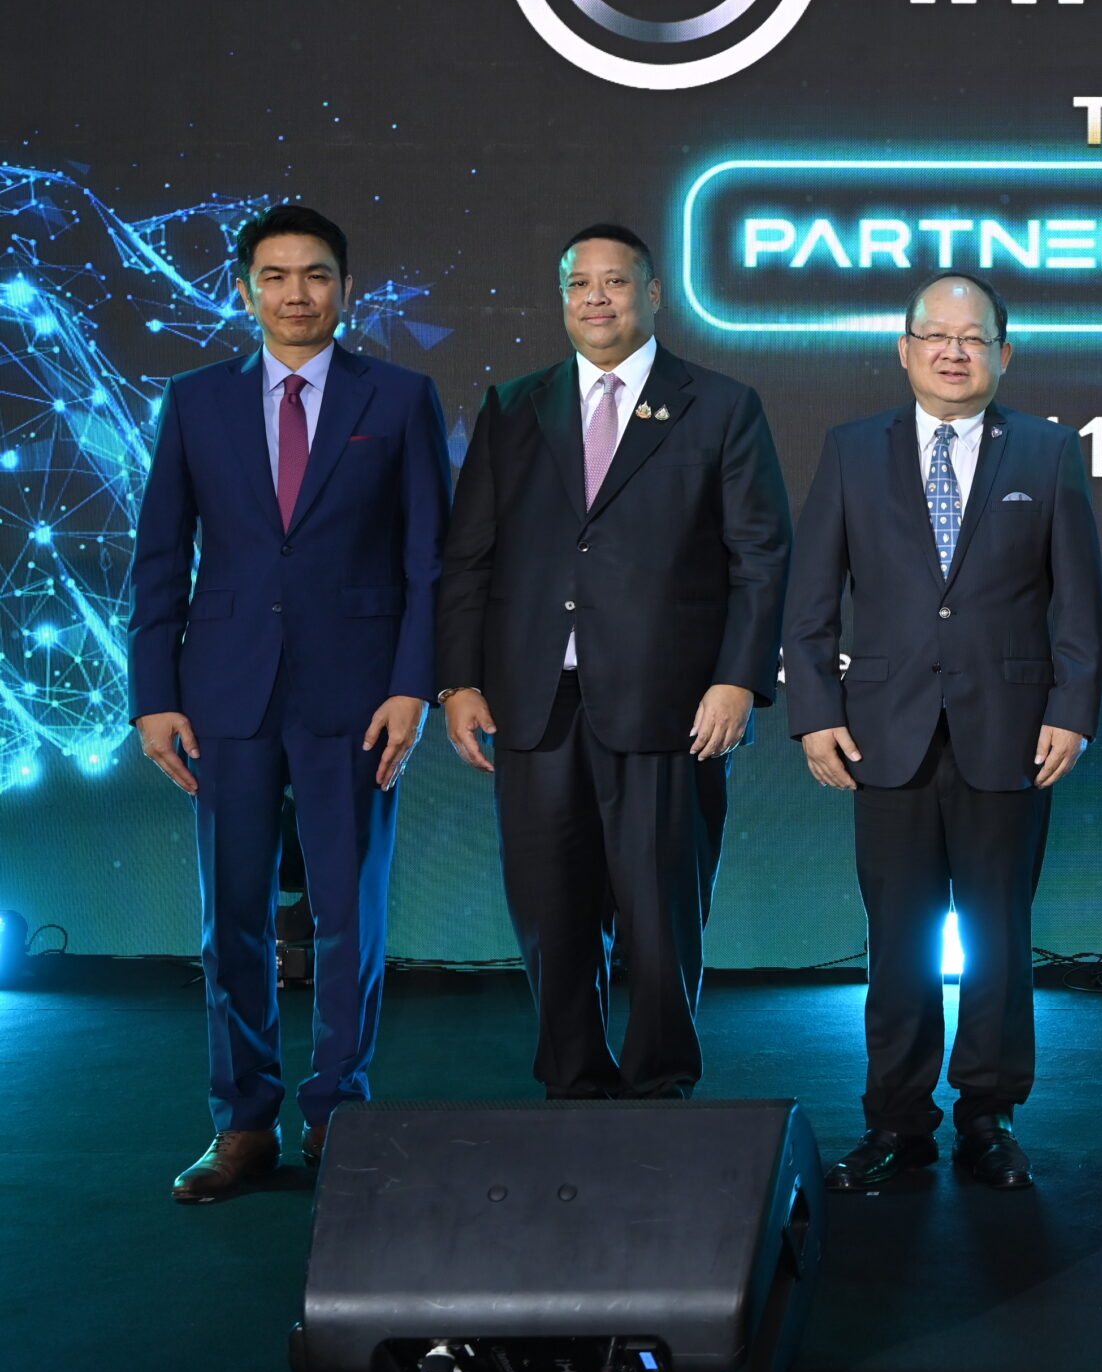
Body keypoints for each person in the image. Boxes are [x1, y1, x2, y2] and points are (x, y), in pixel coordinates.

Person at [130, 204, 451, 1202]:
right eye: (274, 275)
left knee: (350, 913)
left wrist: (413, 685)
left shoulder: (400, 396)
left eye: (316, 274)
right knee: (231, 917)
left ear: (346, 289)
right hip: (222, 691)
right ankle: (243, 1123)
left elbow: (428, 563)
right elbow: (159, 556)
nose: (296, 293)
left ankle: (338, 1113)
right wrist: (152, 694)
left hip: (357, 692)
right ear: (243, 291)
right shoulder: (195, 401)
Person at [436, 224, 790, 1100]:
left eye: (616, 281)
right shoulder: (514, 405)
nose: (597, 298)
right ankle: (574, 1082)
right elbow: (469, 555)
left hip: (669, 704)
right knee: (549, 911)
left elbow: (760, 555)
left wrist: (737, 677)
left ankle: (660, 1082)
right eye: (579, 283)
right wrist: (459, 680)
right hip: (534, 703)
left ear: (653, 294)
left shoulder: (720, 405)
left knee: (662, 913)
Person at [783, 272, 1102, 1192]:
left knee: (999, 937)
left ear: (1004, 352)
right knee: (898, 940)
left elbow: (1079, 603)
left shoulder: (1046, 450)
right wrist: (815, 713)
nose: (954, 352)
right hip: (883, 734)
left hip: (1011, 732)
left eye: (974, 338)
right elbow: (810, 601)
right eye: (936, 336)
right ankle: (896, 1119)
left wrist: (1072, 709)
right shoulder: (852, 450)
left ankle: (988, 1115)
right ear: (905, 348)